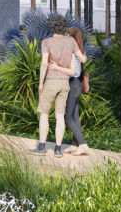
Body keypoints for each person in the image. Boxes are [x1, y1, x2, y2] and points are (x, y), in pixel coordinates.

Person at [36, 17, 86, 151]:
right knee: (60, 116)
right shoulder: (70, 41)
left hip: (51, 81)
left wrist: (41, 82)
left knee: (44, 114)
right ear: (64, 27)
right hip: (65, 83)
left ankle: (41, 147)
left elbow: (45, 63)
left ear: (51, 27)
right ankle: (58, 149)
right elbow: (82, 59)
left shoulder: (46, 42)